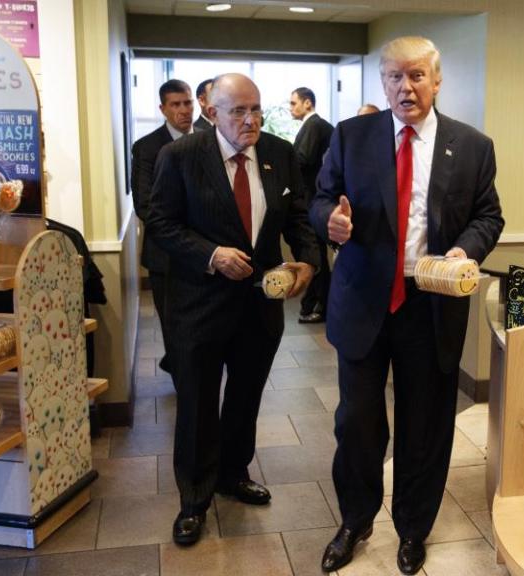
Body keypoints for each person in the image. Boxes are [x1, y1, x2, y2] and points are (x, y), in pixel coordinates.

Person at [310, 36, 504, 574]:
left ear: (437, 82)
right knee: (357, 422)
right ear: (383, 83)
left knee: (426, 424)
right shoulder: (352, 137)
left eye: (416, 75)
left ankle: (414, 528)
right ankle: (355, 519)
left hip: (431, 305)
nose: (405, 86)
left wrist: (466, 248)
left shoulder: (471, 146)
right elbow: (321, 198)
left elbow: (489, 216)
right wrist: (330, 220)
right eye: (394, 76)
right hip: (364, 303)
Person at [148, 73, 320, 547]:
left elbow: (301, 216)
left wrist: (307, 259)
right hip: (199, 303)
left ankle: (233, 473)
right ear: (211, 113)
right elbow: (160, 222)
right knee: (199, 402)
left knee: (245, 397)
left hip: (259, 305)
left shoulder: (280, 154)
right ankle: (194, 499)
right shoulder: (180, 156)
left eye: (257, 109)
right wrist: (211, 255)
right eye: (239, 111)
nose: (251, 120)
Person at [131, 79, 194, 374]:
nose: (184, 110)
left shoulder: (210, 138)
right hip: (166, 254)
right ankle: (182, 374)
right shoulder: (147, 147)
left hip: (207, 253)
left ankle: (195, 369)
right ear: (163, 109)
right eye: (176, 105)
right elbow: (144, 205)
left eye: (188, 103)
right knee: (171, 321)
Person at [290, 87, 334, 323]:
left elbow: (302, 159)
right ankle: (315, 304)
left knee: (316, 257)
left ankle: (321, 305)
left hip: (313, 199)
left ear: (308, 103)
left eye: (294, 103)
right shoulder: (314, 126)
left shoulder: (315, 125)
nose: (290, 108)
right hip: (314, 198)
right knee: (316, 256)